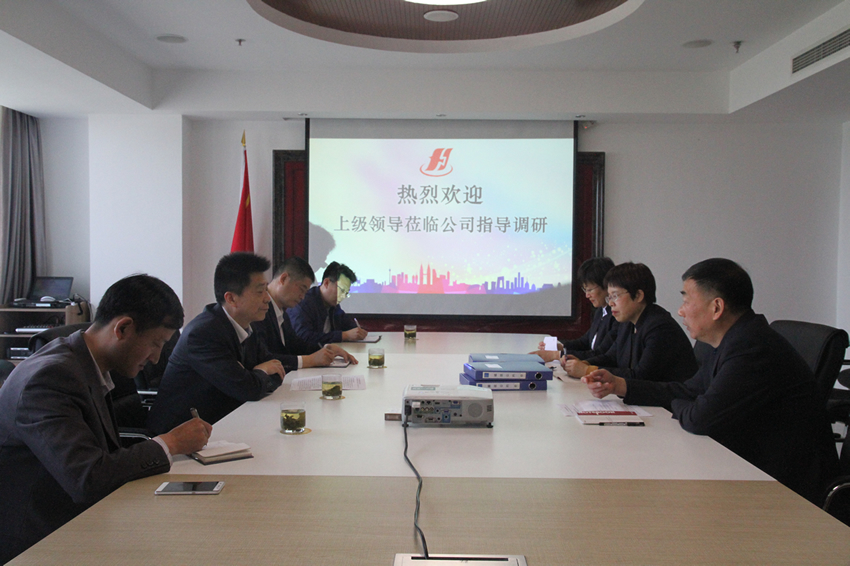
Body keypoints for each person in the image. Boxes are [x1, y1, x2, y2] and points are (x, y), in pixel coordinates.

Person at [583, 258, 838, 502]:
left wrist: (682, 404)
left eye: (686, 300)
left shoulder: (751, 347)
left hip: (786, 489)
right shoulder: (733, 339)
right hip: (748, 467)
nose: (680, 310)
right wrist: (621, 385)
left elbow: (699, 418)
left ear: (716, 307)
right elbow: (688, 390)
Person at [0, 275, 212, 562]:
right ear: (122, 328)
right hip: (40, 540)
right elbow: (87, 478)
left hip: (81, 517)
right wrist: (169, 443)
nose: (156, 358)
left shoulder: (83, 363)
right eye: (155, 343)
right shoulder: (49, 379)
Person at [147, 253, 285, 434]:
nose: (267, 298)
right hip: (182, 435)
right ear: (231, 298)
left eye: (267, 289)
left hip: (227, 422)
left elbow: (276, 372)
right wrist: (260, 372)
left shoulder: (249, 325)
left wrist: (255, 374)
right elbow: (248, 389)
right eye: (260, 291)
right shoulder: (203, 334)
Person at [565, 262, 696, 382]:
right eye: (609, 297)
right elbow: (611, 357)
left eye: (615, 296)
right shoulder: (628, 322)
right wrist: (585, 363)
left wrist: (588, 371)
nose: (611, 303)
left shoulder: (660, 328)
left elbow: (640, 376)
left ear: (638, 295)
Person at [254, 256, 358, 371]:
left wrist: (326, 349)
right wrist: (310, 360)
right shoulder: (258, 312)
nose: (302, 297)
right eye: (302, 289)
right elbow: (264, 359)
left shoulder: (282, 313)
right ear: (283, 279)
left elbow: (297, 345)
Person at [533, 257, 619, 363]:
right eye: (585, 290)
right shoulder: (600, 311)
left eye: (590, 290)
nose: (587, 295)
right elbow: (585, 342)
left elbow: (600, 353)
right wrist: (560, 346)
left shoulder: (617, 315)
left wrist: (558, 355)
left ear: (606, 286)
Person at [288, 261, 368, 344]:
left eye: (346, 293)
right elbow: (304, 337)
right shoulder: (304, 303)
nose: (343, 296)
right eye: (341, 290)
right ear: (326, 283)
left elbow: (348, 325)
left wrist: (358, 331)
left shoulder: (334, 306)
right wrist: (343, 335)